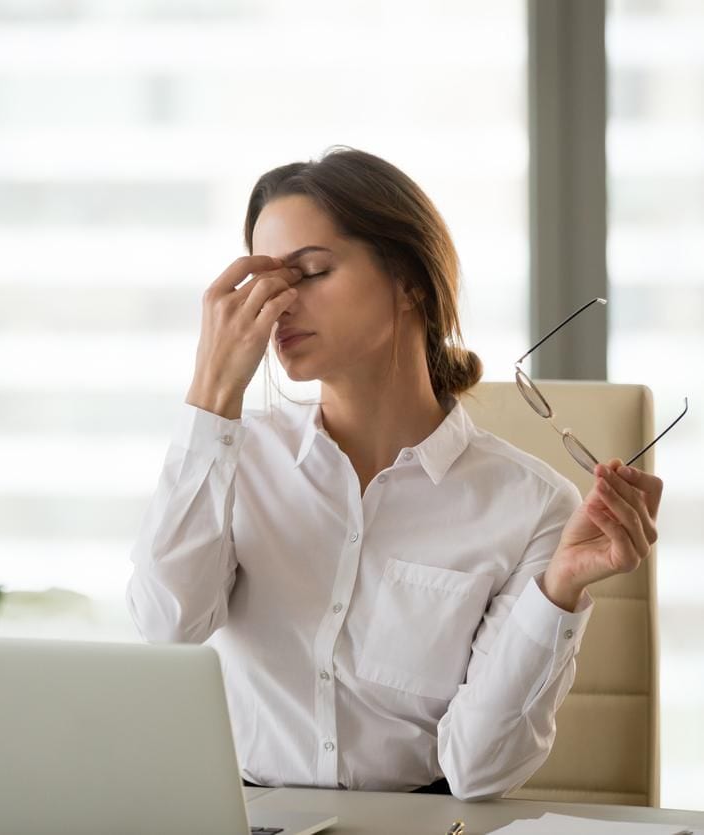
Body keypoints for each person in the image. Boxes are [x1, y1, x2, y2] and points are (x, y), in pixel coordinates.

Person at [125, 146, 662, 800]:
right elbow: (167, 624)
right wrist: (211, 392)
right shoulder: (234, 457)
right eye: (264, 283)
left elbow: (476, 770)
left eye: (311, 272)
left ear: (410, 280)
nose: (277, 308)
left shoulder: (531, 506)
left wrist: (556, 592)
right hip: (246, 813)